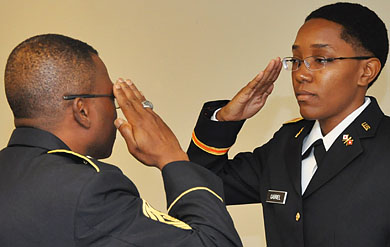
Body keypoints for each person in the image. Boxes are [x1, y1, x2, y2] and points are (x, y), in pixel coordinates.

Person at [0, 34, 242, 247]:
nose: (117, 110)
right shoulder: (88, 190)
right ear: (82, 111)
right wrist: (172, 157)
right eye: (111, 97)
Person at [187, 2, 389, 247]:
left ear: (366, 71)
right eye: (296, 60)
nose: (300, 74)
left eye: (321, 59)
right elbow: (200, 188)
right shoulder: (287, 145)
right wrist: (224, 120)